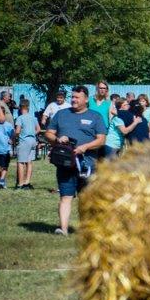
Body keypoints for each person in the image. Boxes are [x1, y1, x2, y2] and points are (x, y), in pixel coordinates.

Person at [46, 85, 106, 235]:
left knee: (86, 199)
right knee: (65, 196)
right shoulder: (61, 114)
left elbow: (101, 140)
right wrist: (58, 139)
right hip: (65, 164)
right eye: (72, 97)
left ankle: (87, 229)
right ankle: (63, 229)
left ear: (86, 99)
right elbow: (48, 133)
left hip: (88, 166)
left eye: (77, 97)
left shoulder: (95, 116)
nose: (73, 100)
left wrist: (85, 147)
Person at [13, 97, 38, 189]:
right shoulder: (33, 118)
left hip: (24, 141)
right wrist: (32, 134)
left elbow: (17, 131)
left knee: (20, 162)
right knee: (29, 162)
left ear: (20, 107)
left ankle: (20, 184)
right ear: (28, 107)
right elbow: (38, 129)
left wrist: (13, 138)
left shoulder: (20, 118)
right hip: (33, 140)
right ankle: (27, 182)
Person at [0, 95, 13, 190]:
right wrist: (11, 140)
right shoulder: (8, 125)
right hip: (6, 148)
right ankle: (2, 181)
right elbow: (12, 135)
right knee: (5, 166)